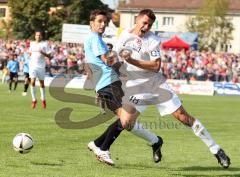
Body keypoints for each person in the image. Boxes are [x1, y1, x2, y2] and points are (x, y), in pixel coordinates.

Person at [115, 9, 230, 168]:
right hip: (136, 86)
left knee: (183, 117)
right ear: (137, 20)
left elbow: (156, 66)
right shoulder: (123, 36)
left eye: (149, 25)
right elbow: (115, 60)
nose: (146, 27)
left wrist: (132, 61)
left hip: (156, 84)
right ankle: (156, 141)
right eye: (144, 23)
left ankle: (216, 149)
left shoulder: (153, 39)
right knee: (126, 122)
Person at [84, 9, 163, 166]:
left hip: (106, 84)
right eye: (99, 21)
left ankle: (98, 144)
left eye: (104, 22)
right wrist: (126, 60)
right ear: (91, 23)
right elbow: (108, 60)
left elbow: (93, 65)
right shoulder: (95, 39)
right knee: (126, 119)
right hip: (109, 83)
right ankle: (103, 149)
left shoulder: (93, 39)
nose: (103, 24)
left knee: (125, 120)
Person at [28, 31, 51, 109]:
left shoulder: (45, 44)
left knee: (41, 83)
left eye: (39, 35)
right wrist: (29, 57)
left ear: (41, 37)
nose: (38, 36)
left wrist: (43, 53)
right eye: (37, 35)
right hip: (32, 66)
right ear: (35, 36)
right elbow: (30, 53)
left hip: (41, 66)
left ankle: (43, 99)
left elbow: (49, 56)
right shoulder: (32, 43)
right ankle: (34, 100)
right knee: (32, 82)